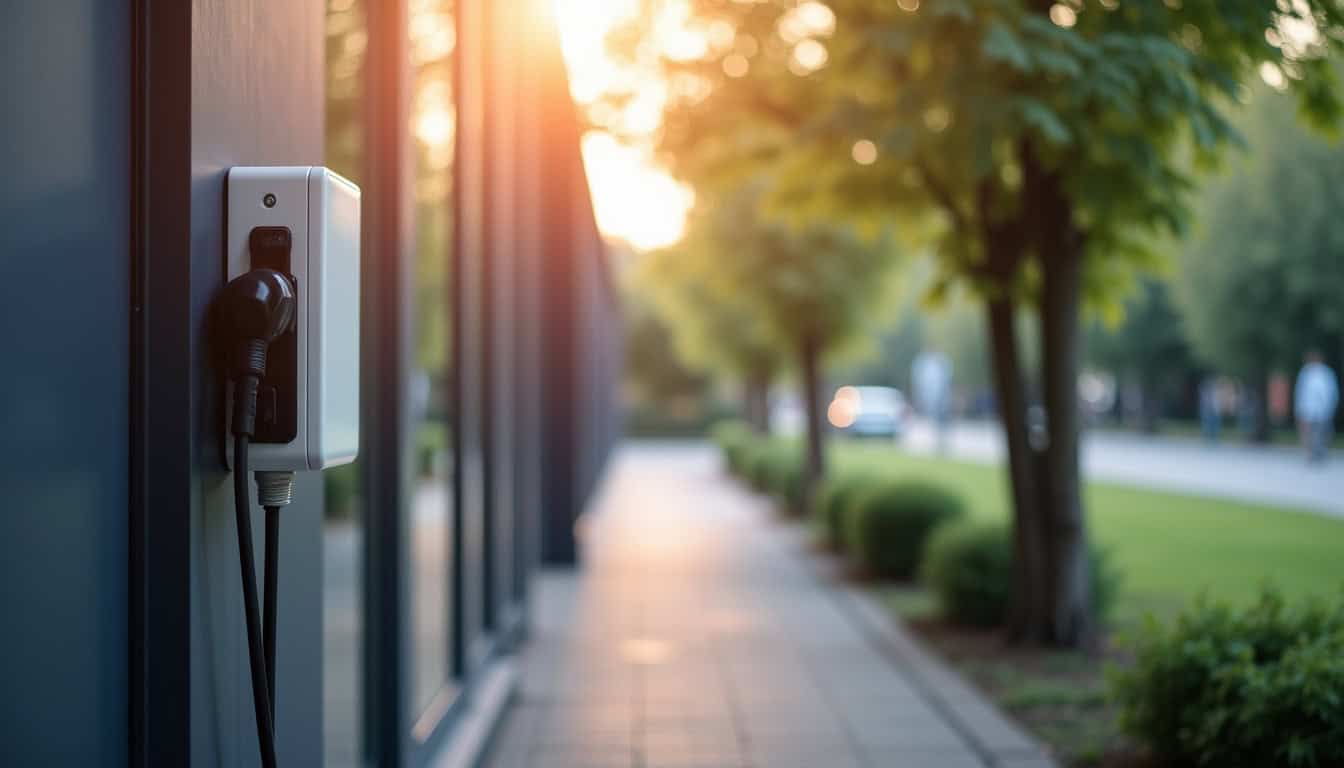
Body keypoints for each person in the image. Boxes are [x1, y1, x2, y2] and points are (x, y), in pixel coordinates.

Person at [1294, 351, 1339, 464]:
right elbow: (1300, 392)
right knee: (1309, 433)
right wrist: (1300, 408)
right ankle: (1310, 453)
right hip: (1308, 408)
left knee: (1323, 432)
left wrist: (1331, 406)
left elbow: (1332, 392)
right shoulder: (1306, 372)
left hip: (1323, 409)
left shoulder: (1326, 373)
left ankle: (1321, 452)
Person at [912, 350, 953, 453]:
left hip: (940, 400)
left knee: (942, 423)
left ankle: (942, 442)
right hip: (936, 399)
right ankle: (940, 442)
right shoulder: (927, 365)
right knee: (939, 423)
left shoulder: (940, 364)